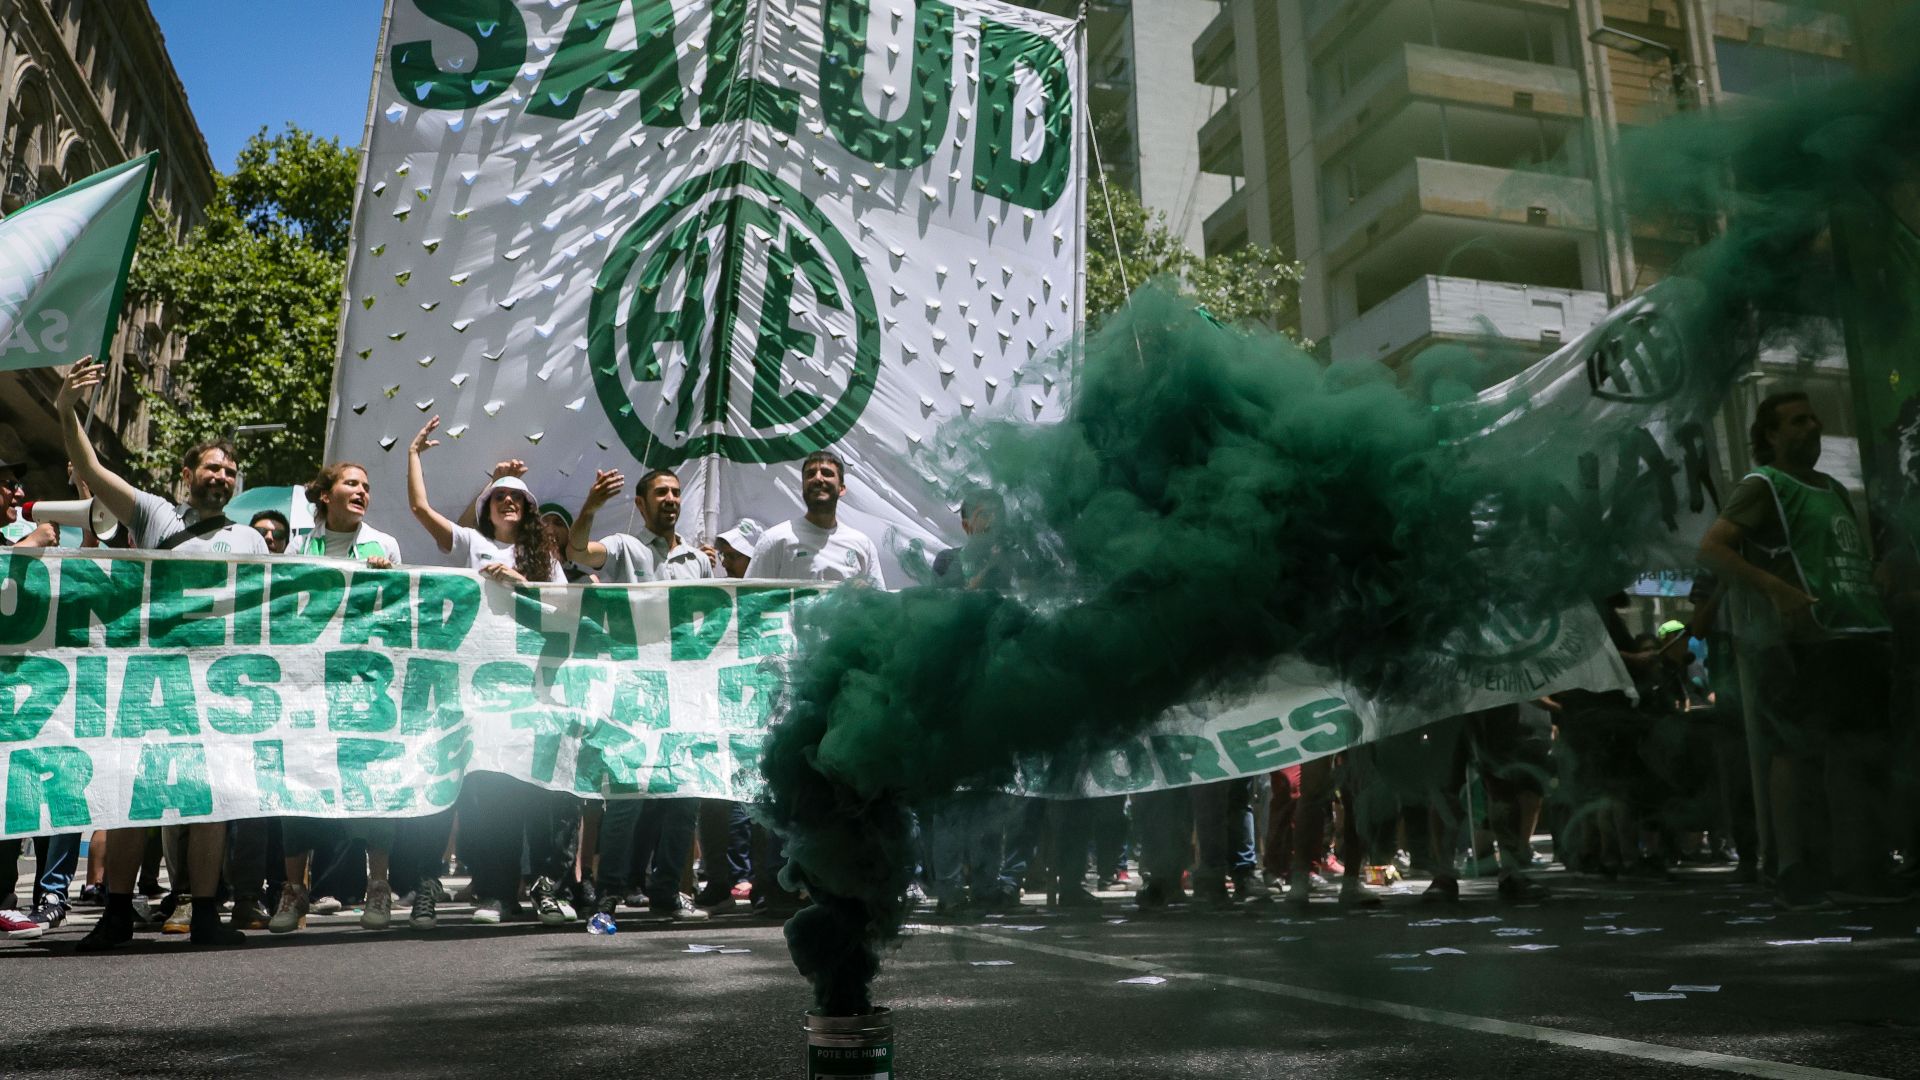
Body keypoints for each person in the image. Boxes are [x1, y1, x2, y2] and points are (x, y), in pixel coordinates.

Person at [58, 357, 264, 949]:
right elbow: (91, 470)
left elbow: (285, 599)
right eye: (213, 467)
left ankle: (205, 914)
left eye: (230, 472)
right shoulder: (153, 513)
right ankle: (117, 914)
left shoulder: (250, 539)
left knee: (212, 802)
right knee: (134, 796)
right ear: (187, 473)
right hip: (150, 680)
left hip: (218, 684)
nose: (222, 477)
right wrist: (65, 408)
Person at [1699, 391, 1908, 908]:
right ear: (1770, 435)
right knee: (1796, 752)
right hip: (1803, 641)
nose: (1812, 426)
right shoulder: (1764, 484)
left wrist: (1877, 573)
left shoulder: (1833, 488)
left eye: (1814, 418)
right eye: (1797, 421)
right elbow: (1713, 548)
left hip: (1857, 635)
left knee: (1860, 753)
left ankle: (1858, 869)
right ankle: (1793, 870)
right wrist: (1776, 589)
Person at [408, 416, 577, 926]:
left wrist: (520, 582)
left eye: (516, 497)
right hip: (481, 689)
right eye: (498, 496)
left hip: (533, 687)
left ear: (528, 509)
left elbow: (563, 612)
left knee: (540, 791)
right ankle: (499, 893)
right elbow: (421, 510)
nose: (507, 501)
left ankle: (545, 889)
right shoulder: (469, 544)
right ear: (486, 507)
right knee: (492, 791)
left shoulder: (544, 557)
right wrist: (412, 454)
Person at [568, 466, 714, 924]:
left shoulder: (698, 561)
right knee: (626, 795)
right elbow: (576, 551)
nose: (671, 499)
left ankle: (666, 891)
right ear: (640, 503)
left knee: (684, 795)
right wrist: (590, 507)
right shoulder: (623, 547)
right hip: (630, 692)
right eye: (661, 492)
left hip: (684, 692)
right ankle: (609, 893)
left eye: (675, 492)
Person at [270, 463, 405, 934]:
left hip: (364, 684)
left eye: (367, 486)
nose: (362, 491)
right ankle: (294, 891)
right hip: (309, 687)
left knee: (374, 780)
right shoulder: (299, 548)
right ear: (325, 496)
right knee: (298, 781)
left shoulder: (384, 545)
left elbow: (399, 614)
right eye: (352, 483)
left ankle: (378, 886)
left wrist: (389, 580)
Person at [745, 451, 883, 916]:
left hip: (840, 683)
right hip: (788, 681)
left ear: (841, 488)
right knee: (782, 778)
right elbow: (748, 604)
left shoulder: (860, 544)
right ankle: (773, 883)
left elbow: (877, 609)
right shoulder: (777, 539)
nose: (818, 478)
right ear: (802, 486)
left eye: (828, 473)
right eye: (810, 473)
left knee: (838, 779)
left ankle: (830, 881)